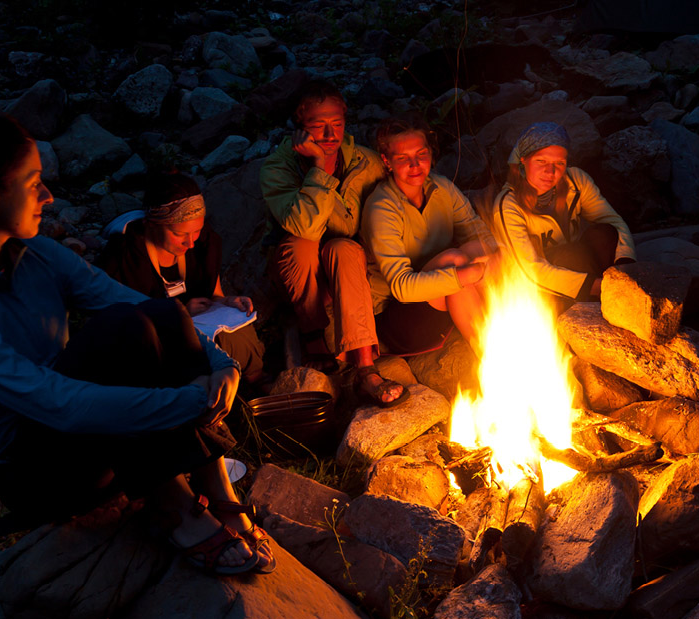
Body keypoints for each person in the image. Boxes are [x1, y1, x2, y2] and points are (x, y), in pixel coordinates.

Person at [0, 114, 273, 576]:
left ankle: (220, 496)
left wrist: (220, 363)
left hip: (89, 436)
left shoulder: (37, 254)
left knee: (151, 315)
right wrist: (188, 402)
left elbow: (140, 304)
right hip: (36, 470)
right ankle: (178, 510)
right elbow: (56, 403)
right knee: (126, 333)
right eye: (34, 183)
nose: (48, 196)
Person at [259, 80, 403, 406]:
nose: (329, 134)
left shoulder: (365, 162)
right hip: (299, 273)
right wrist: (318, 166)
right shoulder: (276, 168)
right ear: (300, 127)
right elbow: (305, 226)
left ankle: (366, 369)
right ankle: (313, 335)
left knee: (345, 248)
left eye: (336, 124)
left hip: (347, 270)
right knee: (301, 242)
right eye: (317, 125)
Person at [97, 171, 267, 393]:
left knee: (237, 333)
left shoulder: (204, 243)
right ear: (151, 224)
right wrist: (180, 314)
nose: (190, 242)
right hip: (153, 343)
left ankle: (255, 387)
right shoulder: (126, 257)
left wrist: (228, 301)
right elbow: (121, 324)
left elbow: (215, 293)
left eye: (195, 231)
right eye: (180, 234)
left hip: (204, 328)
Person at [362, 114, 493, 354]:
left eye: (421, 154)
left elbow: (475, 231)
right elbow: (402, 287)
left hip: (441, 302)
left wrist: (498, 258)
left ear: (430, 154)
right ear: (387, 161)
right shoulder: (382, 207)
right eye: (403, 158)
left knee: (481, 249)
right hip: (400, 317)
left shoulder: (442, 187)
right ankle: (488, 352)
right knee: (455, 260)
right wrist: (469, 273)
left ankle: (505, 328)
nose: (415, 165)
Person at [491, 121, 635, 305]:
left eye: (559, 163)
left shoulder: (576, 180)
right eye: (541, 161)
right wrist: (598, 286)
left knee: (604, 234)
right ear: (523, 160)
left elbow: (613, 221)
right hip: (539, 290)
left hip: (582, 267)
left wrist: (625, 268)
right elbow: (530, 269)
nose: (550, 172)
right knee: (569, 256)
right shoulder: (508, 205)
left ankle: (618, 299)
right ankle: (596, 305)